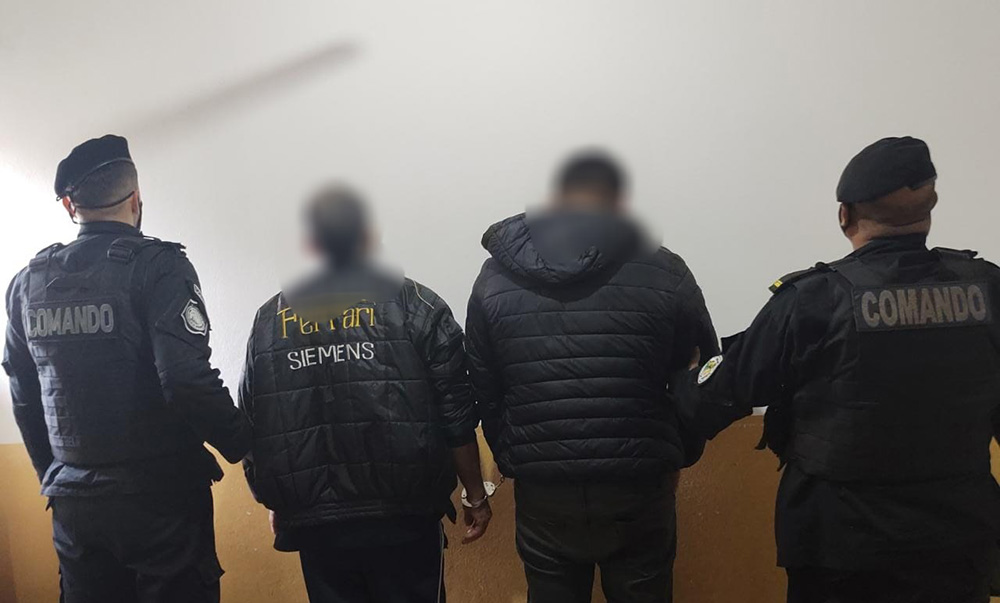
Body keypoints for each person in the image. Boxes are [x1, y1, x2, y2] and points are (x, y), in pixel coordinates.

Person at [679, 136, 1000, 603]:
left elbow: (720, 395)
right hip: (957, 541)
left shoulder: (814, 299)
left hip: (839, 545)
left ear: (844, 215)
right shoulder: (987, 290)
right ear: (930, 209)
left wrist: (685, 376)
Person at [3, 135, 251, 603]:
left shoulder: (27, 283)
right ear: (136, 199)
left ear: (70, 206)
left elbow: (23, 393)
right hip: (160, 501)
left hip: (75, 505)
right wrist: (244, 443)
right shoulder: (161, 268)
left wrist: (54, 475)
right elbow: (184, 379)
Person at [465, 151, 719, 603]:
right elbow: (701, 377)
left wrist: (516, 457)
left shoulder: (494, 280)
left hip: (544, 489)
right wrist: (678, 452)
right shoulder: (665, 270)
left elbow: (486, 388)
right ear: (617, 202)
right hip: (638, 483)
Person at [239, 184, 492, 603]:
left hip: (318, 525)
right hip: (405, 518)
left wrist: (276, 500)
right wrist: (475, 494)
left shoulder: (269, 320)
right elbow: (457, 414)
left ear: (310, 244)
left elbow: (253, 420)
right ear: (371, 237)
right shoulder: (418, 306)